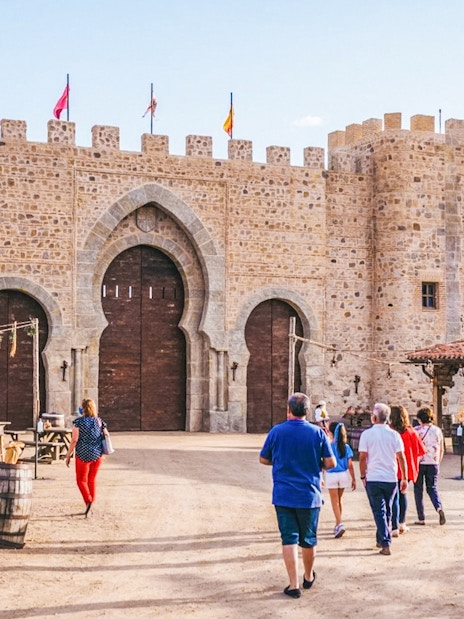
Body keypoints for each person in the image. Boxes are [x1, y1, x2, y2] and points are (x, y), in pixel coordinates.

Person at [260, 392, 336, 599]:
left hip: (284, 494)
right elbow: (331, 463)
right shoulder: (317, 433)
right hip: (309, 494)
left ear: (288, 410)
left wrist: (281, 462)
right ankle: (308, 576)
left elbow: (263, 459)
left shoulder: (276, 432)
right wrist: (314, 464)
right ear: (308, 411)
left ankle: (293, 584)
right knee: (308, 539)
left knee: (289, 539)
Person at [358, 403, 407, 555]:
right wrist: (404, 477)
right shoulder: (394, 435)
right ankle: (381, 539)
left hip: (373, 477)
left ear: (374, 417)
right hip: (390, 478)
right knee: (387, 510)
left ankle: (385, 543)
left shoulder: (367, 434)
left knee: (379, 510)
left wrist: (363, 475)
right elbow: (401, 457)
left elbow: (362, 458)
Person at [65, 398, 108, 517]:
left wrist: (68, 455)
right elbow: (106, 434)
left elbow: (74, 440)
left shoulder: (78, 422)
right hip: (97, 455)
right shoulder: (99, 421)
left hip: (83, 455)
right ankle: (91, 505)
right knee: (91, 480)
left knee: (81, 481)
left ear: (82, 409)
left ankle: (88, 501)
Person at [389, 405, 426, 535]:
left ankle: (393, 525)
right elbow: (421, 451)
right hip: (407, 469)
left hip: (392, 467)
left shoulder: (390, 431)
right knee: (403, 495)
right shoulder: (411, 432)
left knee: (393, 497)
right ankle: (401, 523)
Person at [413, 407, 446, 526]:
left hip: (419, 463)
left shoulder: (416, 430)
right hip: (433, 462)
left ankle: (421, 517)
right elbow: (441, 448)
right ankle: (439, 507)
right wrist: (438, 461)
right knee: (432, 488)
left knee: (418, 490)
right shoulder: (437, 430)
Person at [325, 421, 356, 538]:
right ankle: (338, 522)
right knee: (339, 499)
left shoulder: (328, 445)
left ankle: (339, 524)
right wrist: (353, 478)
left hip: (332, 474)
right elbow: (350, 464)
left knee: (334, 501)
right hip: (343, 474)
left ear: (331, 432)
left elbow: (324, 461)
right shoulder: (346, 447)